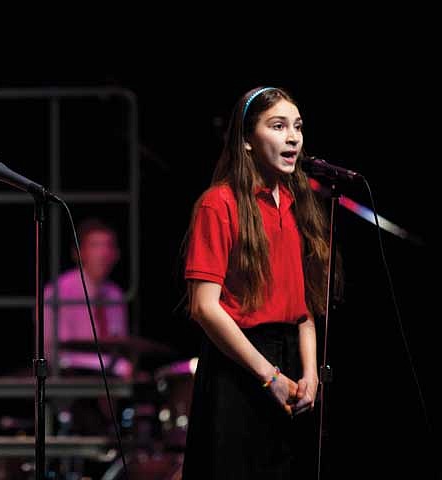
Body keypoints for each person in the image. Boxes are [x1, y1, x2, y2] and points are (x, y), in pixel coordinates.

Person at [181, 86, 329, 479]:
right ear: (247, 140)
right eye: (278, 126)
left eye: (297, 126)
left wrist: (310, 376)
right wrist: (270, 377)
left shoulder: (301, 207)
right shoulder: (220, 204)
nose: (293, 137)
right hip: (240, 365)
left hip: (292, 366)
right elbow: (204, 306)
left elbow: (305, 311)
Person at [44, 217, 130, 379]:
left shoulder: (115, 294)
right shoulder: (58, 292)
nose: (103, 253)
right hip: (69, 380)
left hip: (109, 377)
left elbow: (119, 345)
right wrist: (113, 366)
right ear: (78, 253)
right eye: (95, 246)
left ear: (116, 254)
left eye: (108, 246)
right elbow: (57, 354)